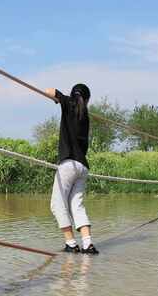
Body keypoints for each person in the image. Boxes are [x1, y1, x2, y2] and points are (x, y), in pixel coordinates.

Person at [44, 84, 99, 255]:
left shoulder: (69, 103)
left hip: (68, 164)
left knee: (57, 204)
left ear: (73, 94)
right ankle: (87, 244)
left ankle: (71, 243)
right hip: (82, 167)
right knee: (77, 205)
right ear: (87, 99)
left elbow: (49, 91)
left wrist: (59, 98)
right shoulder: (86, 115)